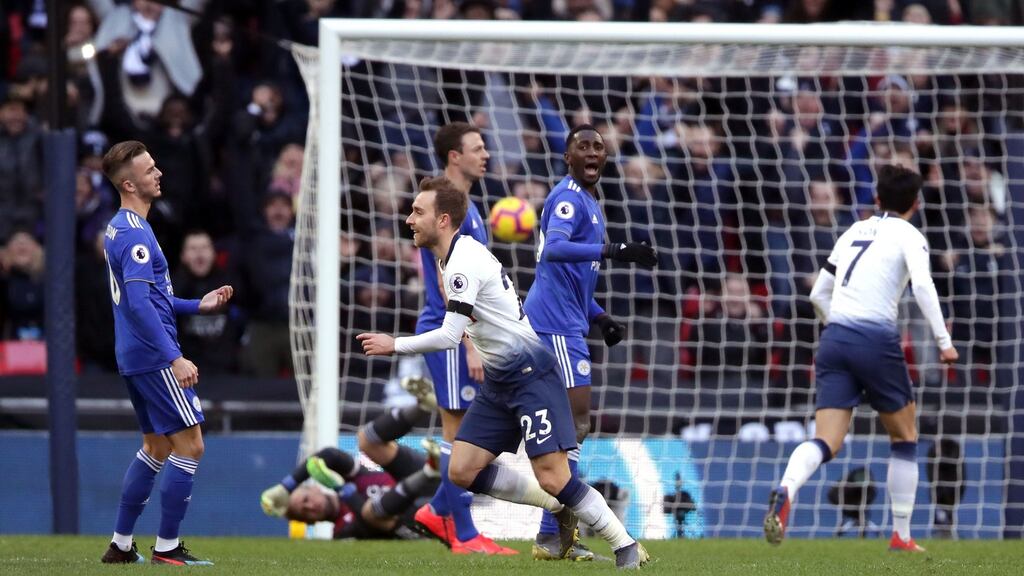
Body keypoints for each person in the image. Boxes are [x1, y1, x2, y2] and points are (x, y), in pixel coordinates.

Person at [358, 176, 650, 568]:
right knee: (462, 470)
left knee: (554, 475)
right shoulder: (455, 258)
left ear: (443, 220)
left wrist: (394, 344)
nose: (409, 219)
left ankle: (625, 546)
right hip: (501, 380)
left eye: (418, 212)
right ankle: (556, 508)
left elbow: (449, 336)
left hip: (531, 376)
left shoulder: (462, 263)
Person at [763, 164, 958, 552]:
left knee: (827, 440)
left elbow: (818, 292)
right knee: (905, 436)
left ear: (877, 199)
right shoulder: (910, 235)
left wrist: (836, 326)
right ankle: (901, 534)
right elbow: (922, 284)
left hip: (835, 337)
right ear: (916, 204)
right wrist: (943, 340)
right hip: (875, 337)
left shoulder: (854, 229)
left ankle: (786, 487)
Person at [522, 124, 656, 560]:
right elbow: (554, 251)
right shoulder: (566, 199)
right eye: (584, 146)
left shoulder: (589, 201)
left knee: (571, 427)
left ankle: (554, 534)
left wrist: (599, 317)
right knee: (574, 426)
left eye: (599, 146)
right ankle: (556, 532)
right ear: (568, 156)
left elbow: (570, 279)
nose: (593, 152)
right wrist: (615, 250)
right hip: (555, 330)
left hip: (568, 324)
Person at [98, 141, 233, 566]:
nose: (158, 173)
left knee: (156, 445)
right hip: (154, 356)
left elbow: (151, 297)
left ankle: (121, 545)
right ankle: (168, 548)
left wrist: (198, 305)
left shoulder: (120, 227)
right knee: (190, 445)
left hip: (134, 355)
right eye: (149, 169)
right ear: (128, 182)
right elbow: (138, 304)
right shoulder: (136, 235)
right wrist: (174, 356)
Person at [408, 122, 512, 555]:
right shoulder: (445, 208)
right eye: (477, 147)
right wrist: (468, 342)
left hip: (465, 331)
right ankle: (465, 535)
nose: (485, 154)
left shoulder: (466, 203)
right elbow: (444, 272)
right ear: (455, 155)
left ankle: (436, 511)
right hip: (449, 333)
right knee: (459, 435)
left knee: (476, 435)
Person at [260, 379, 442, 539]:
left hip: (430, 481)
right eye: (304, 512)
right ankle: (429, 472)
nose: (310, 507)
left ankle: (423, 406)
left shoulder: (356, 478)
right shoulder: (341, 533)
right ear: (310, 522)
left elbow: (331, 455)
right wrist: (343, 491)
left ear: (315, 488)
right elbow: (370, 528)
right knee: (373, 515)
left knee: (365, 441)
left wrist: (286, 487)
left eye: (306, 499)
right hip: (423, 516)